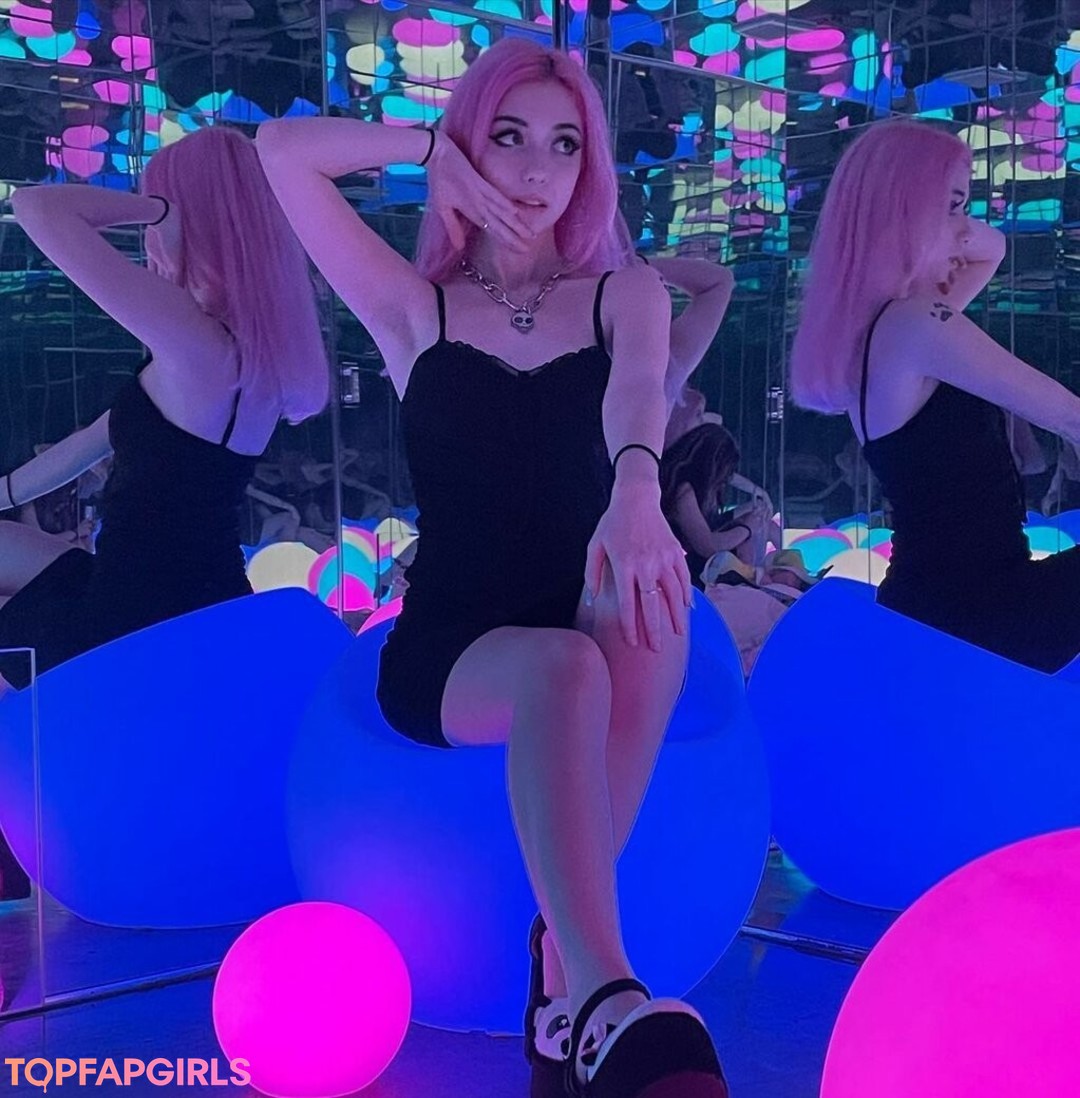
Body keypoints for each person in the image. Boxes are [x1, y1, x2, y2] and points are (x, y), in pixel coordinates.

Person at [256, 37, 727, 1098]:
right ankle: (597, 986)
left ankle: (564, 976)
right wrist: (435, 152)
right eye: (508, 136)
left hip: (594, 606)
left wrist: (639, 486)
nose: (536, 167)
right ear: (471, 144)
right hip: (456, 645)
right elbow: (281, 151)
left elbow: (639, 392)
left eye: (565, 144)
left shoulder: (625, 293)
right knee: (563, 667)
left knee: (651, 605)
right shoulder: (414, 307)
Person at [0, 126, 328, 690]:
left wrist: (159, 209)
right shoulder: (251, 356)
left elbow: (37, 207)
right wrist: (4, 494)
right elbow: (93, 441)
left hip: (131, 618)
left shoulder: (195, 341)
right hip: (183, 597)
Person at [790, 119, 1080, 672]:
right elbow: (1070, 416)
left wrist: (943, 220)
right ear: (904, 213)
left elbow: (991, 250)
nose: (966, 228)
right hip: (983, 614)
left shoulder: (883, 333)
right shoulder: (916, 326)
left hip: (942, 609)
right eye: (951, 208)